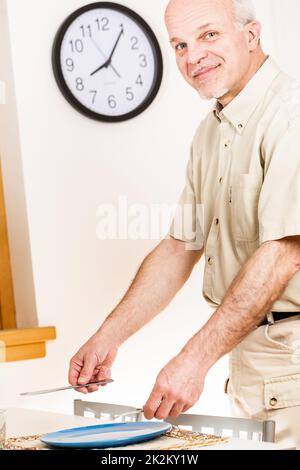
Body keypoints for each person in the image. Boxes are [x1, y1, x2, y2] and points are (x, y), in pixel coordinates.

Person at [69, 0, 300, 448]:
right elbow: (181, 244)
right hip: (251, 366)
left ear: (250, 36)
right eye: (179, 44)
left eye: (208, 35)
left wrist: (193, 361)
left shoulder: (291, 115)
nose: (193, 57)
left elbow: (284, 254)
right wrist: (106, 339)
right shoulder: (210, 133)